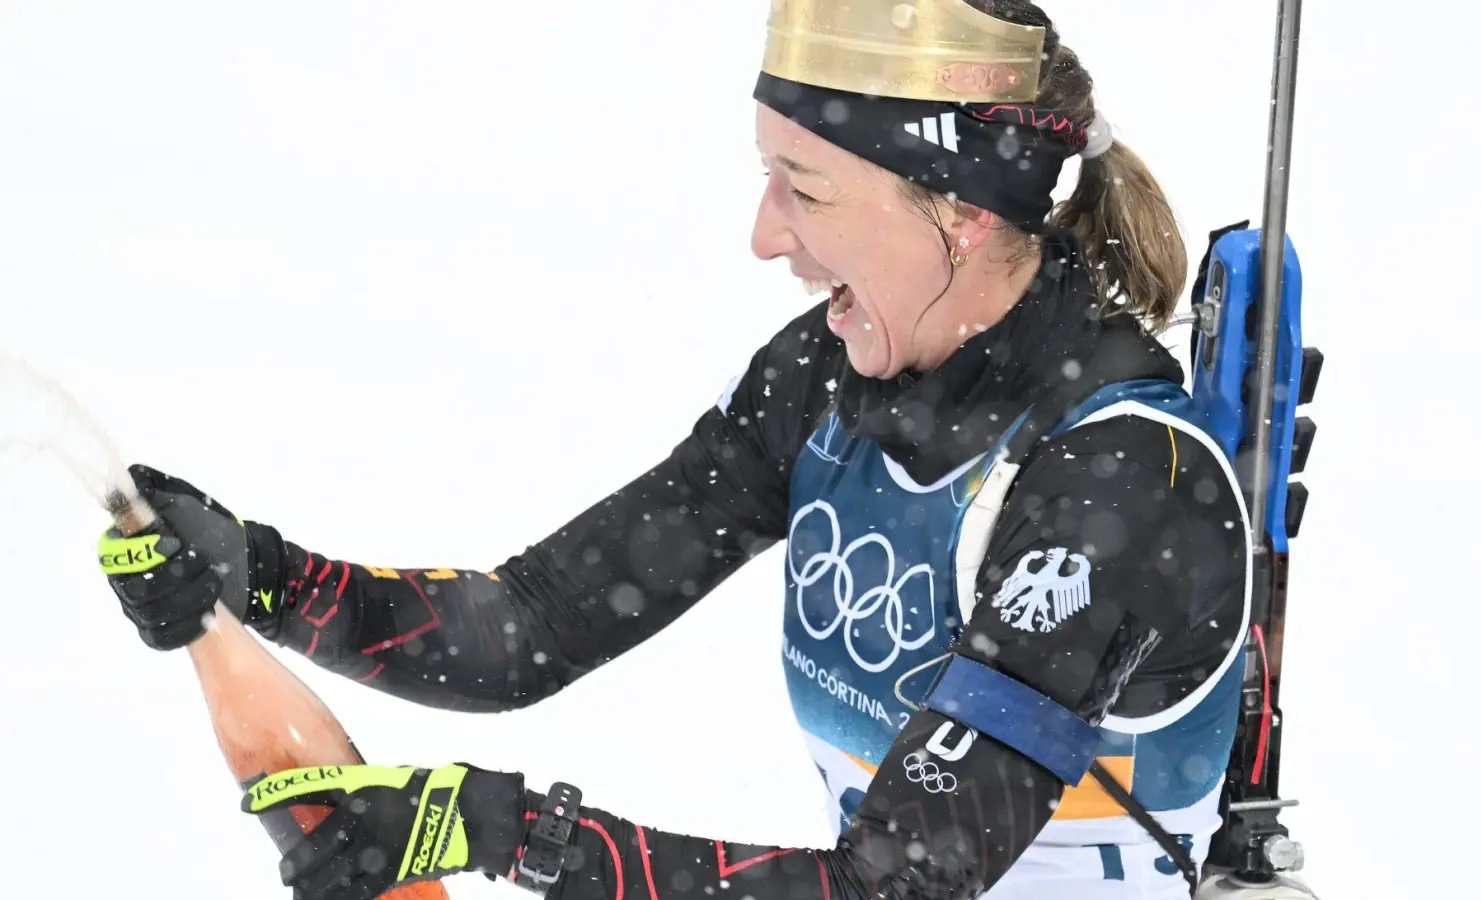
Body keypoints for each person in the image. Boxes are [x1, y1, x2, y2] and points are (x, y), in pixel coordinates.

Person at [98, 1, 1251, 898]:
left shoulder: (1118, 487)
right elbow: (529, 626)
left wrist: (513, 834)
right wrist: (263, 574)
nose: (764, 237)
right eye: (768, 179)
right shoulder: (827, 379)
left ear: (961, 210)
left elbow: (891, 889)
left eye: (804, 189)